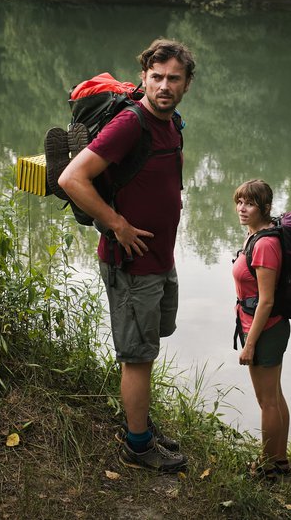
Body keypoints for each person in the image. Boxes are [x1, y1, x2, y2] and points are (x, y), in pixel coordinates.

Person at [58, 38, 195, 473]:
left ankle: (141, 425)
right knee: (137, 358)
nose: (164, 86)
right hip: (130, 262)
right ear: (144, 78)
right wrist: (117, 224)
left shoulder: (171, 123)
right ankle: (138, 446)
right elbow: (71, 177)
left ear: (187, 84)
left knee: (148, 349)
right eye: (156, 77)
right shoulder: (131, 124)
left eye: (174, 78)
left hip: (160, 259)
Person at [232, 179, 291, 478]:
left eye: (250, 203)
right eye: (239, 202)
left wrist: (250, 344)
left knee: (267, 400)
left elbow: (266, 301)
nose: (242, 209)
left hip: (264, 329)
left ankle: (267, 466)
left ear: (265, 207)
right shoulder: (255, 235)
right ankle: (279, 460)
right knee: (275, 394)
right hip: (262, 326)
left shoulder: (266, 244)